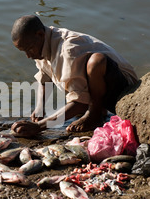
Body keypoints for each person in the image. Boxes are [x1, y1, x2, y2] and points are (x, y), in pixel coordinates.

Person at [10, 15, 138, 137]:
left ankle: (95, 114)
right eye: (24, 51)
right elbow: (45, 79)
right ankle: (96, 109)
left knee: (96, 62)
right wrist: (39, 107)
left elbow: (80, 102)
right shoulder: (40, 46)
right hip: (100, 91)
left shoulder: (68, 48)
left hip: (123, 89)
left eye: (29, 49)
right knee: (78, 92)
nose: (28, 55)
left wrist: (39, 126)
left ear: (40, 34)